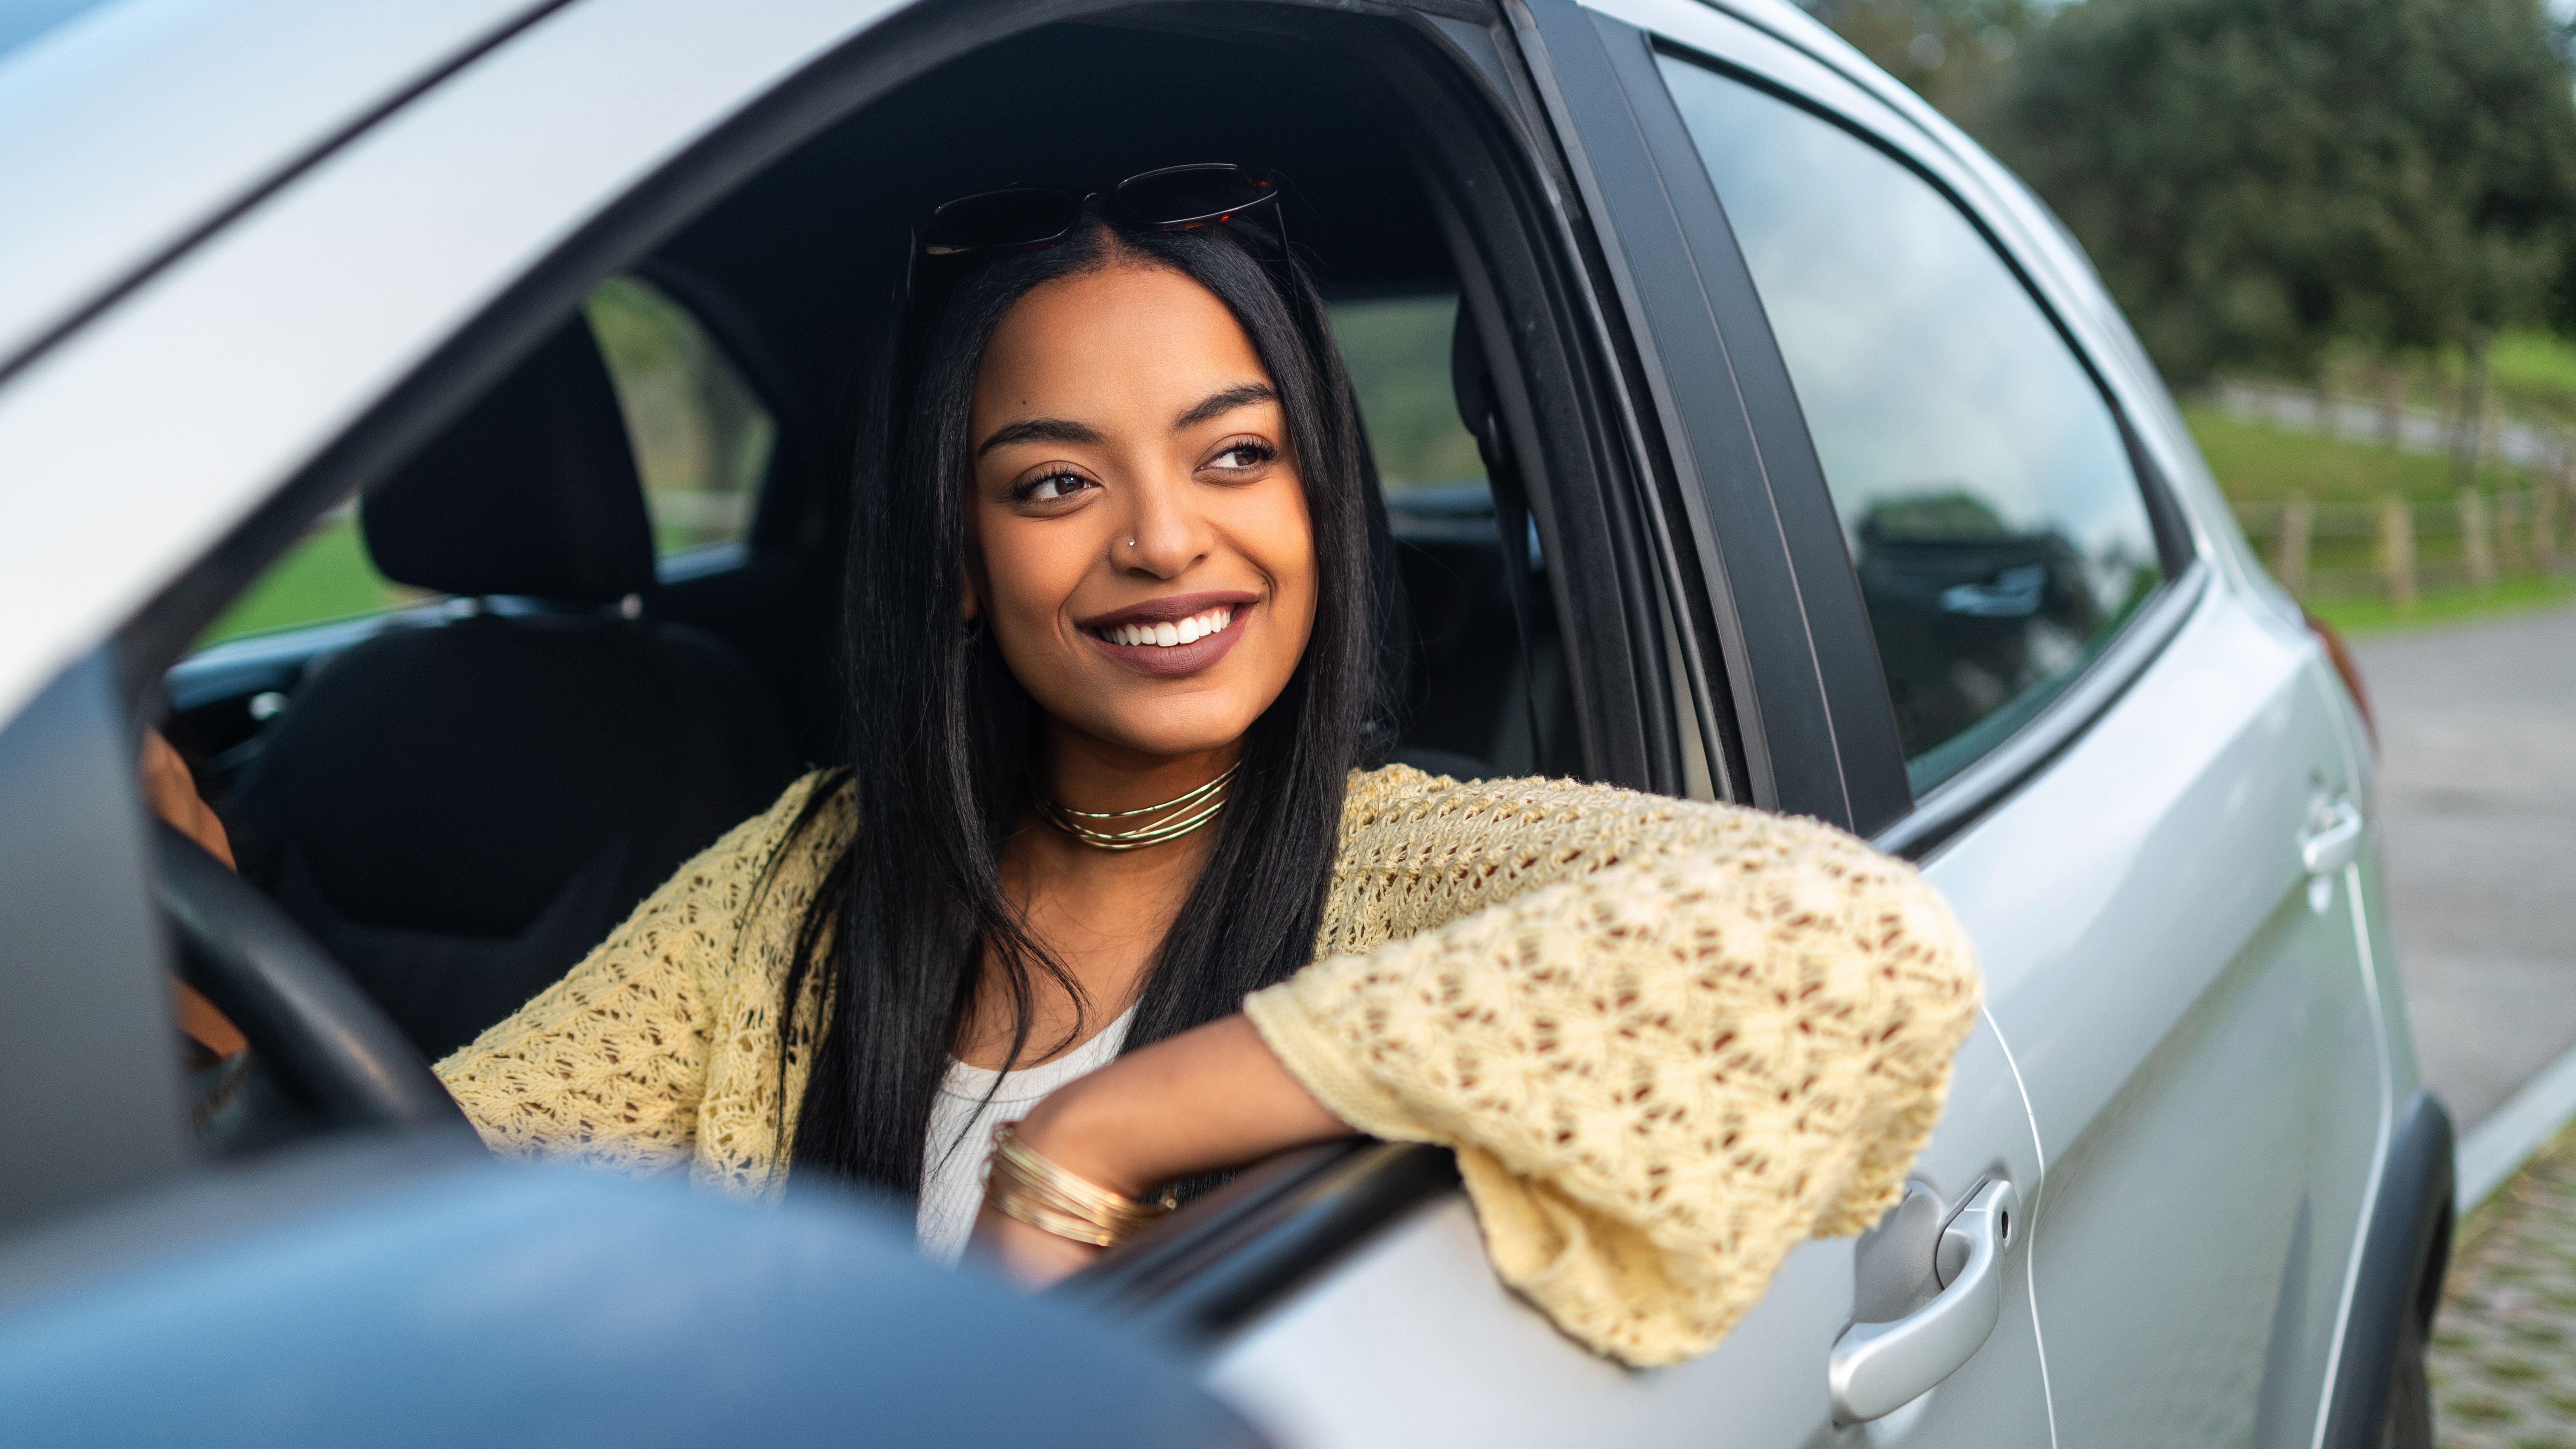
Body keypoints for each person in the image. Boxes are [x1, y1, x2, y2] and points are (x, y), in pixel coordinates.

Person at [149, 168, 1982, 1368]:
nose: (1167, 542)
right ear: (956, 558)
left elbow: (1861, 934)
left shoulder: (1405, 867)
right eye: (1053, 482)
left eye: (1238, 456)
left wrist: (1093, 1137)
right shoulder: (807, 882)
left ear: (1323, 499)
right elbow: (454, 1182)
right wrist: (184, 941)